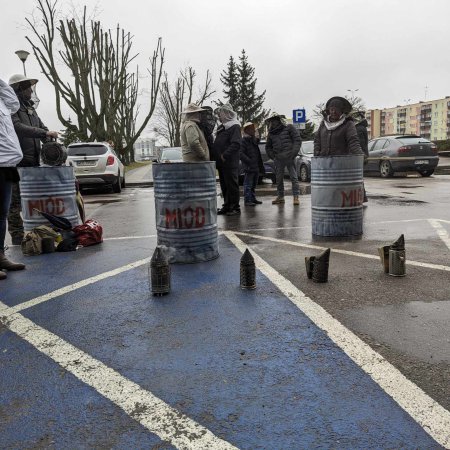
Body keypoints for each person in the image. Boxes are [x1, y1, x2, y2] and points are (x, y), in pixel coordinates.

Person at [7, 74, 59, 245]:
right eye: (28, 87)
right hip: (16, 162)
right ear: (18, 89)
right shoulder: (12, 108)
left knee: (33, 199)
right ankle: (17, 237)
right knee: (14, 202)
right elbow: (17, 127)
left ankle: (36, 233)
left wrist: (49, 139)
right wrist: (43, 133)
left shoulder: (30, 108)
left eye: (31, 87)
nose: (31, 90)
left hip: (33, 161)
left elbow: (42, 127)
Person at [0, 78, 26, 280]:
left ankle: (0, 256)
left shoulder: (3, 104)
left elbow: (13, 102)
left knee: (2, 213)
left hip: (7, 164)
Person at [265, 113, 302, 205]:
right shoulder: (271, 134)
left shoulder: (289, 128)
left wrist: (293, 153)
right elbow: (268, 147)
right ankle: (280, 197)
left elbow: (297, 140)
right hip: (278, 159)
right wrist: (273, 156)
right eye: (272, 121)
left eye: (275, 120)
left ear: (279, 120)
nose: (273, 122)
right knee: (279, 179)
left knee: (294, 177)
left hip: (290, 157)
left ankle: (296, 197)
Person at [212, 104, 241, 216]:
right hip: (222, 163)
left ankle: (235, 207)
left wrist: (225, 155)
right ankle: (227, 205)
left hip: (229, 162)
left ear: (228, 114)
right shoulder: (223, 127)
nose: (220, 116)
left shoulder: (235, 126)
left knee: (232, 185)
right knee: (225, 185)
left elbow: (236, 144)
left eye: (222, 113)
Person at [240, 122, 264, 206]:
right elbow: (241, 153)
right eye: (252, 129)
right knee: (248, 184)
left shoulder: (252, 139)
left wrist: (257, 133)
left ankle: (253, 198)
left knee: (254, 184)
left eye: (253, 129)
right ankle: (247, 200)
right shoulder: (244, 140)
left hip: (255, 165)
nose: (253, 130)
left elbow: (258, 140)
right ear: (247, 130)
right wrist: (249, 161)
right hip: (249, 166)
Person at [354, 111, 369, 202]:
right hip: (363, 154)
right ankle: (362, 197)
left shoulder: (358, 128)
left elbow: (360, 144)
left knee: (357, 177)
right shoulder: (361, 127)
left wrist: (362, 155)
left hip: (359, 155)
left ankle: (361, 197)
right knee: (358, 177)